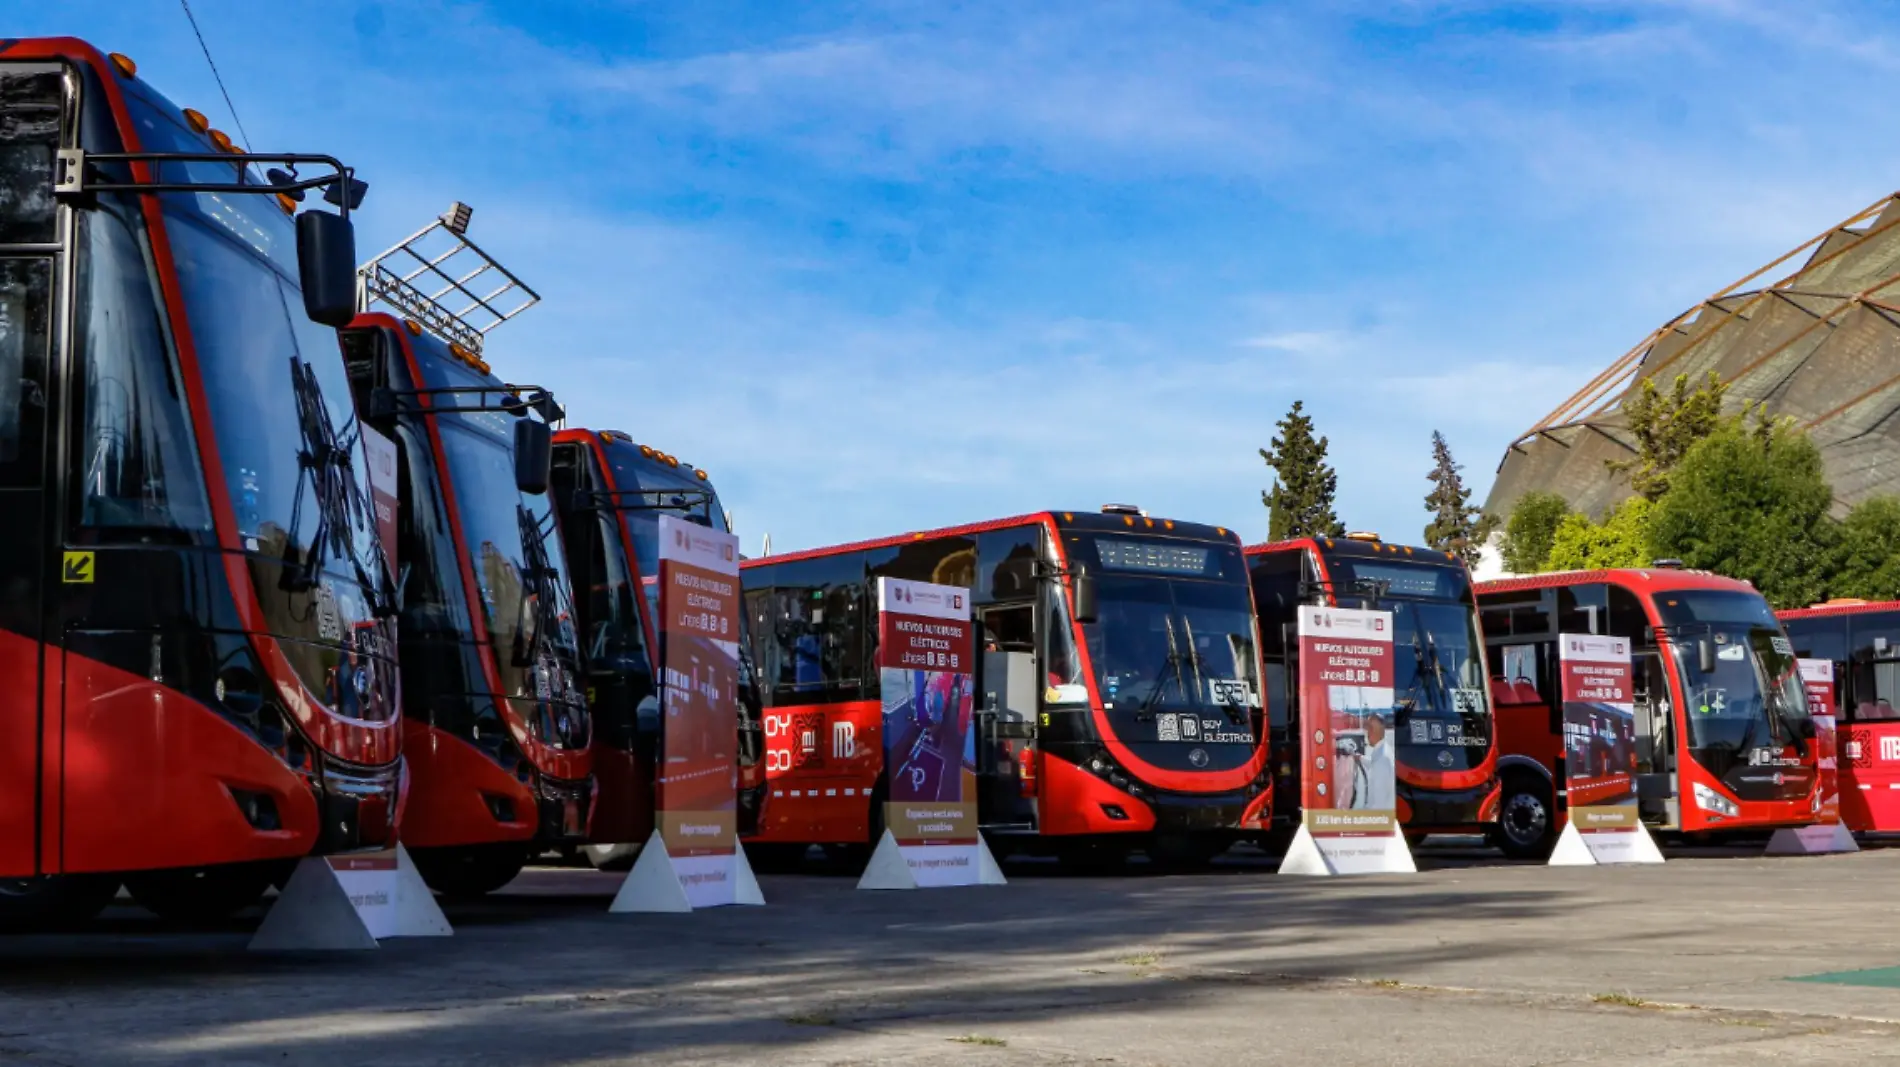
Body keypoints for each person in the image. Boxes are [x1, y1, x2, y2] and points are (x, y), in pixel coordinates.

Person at [1355, 713, 1397, 810]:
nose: (1367, 733)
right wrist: (1360, 758)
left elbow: (1379, 805)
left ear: (1375, 731)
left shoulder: (1382, 759)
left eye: (1369, 729)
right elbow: (1374, 764)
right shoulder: (1382, 751)